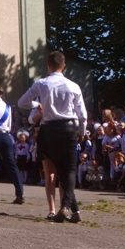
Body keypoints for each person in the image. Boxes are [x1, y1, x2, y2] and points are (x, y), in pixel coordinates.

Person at [17, 50, 87, 223]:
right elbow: (82, 115)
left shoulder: (41, 83)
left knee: (59, 170)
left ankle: (70, 209)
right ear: (64, 66)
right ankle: (69, 208)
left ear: (48, 65)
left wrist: (37, 104)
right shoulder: (73, 86)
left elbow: (22, 103)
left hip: (49, 129)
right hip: (69, 128)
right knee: (68, 170)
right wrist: (82, 132)